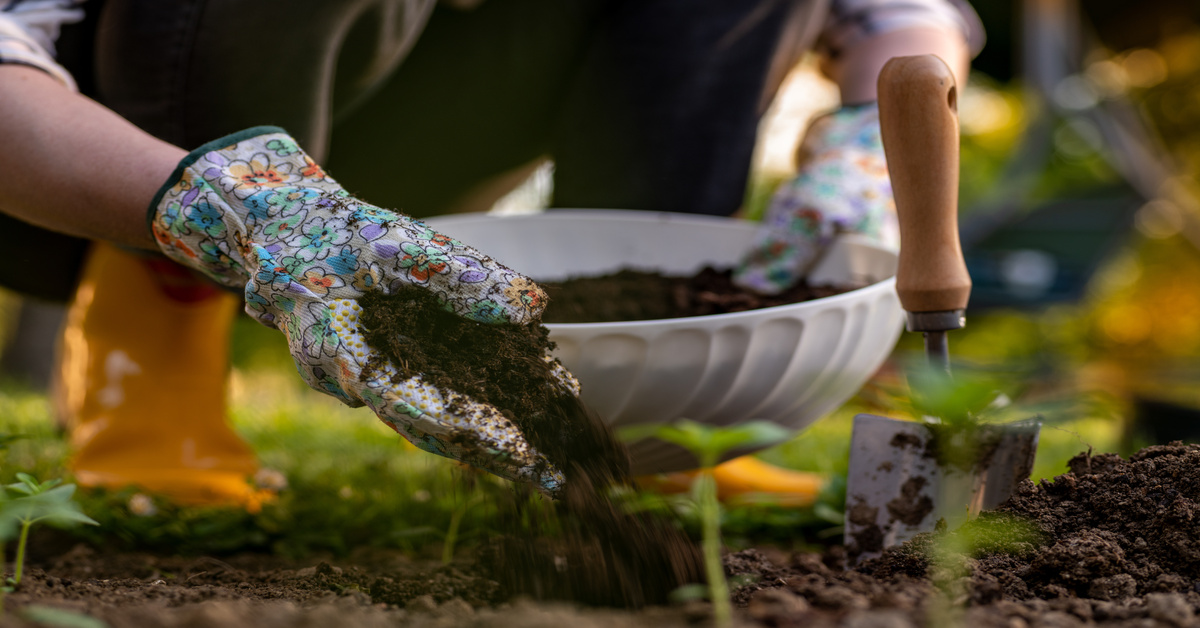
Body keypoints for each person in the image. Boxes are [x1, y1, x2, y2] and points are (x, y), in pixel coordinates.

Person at [0, 0, 982, 508]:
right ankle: (155, 357)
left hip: (425, 142)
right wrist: (244, 212)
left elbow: (891, 12)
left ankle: (656, 393)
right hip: (110, 160)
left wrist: (866, 137)